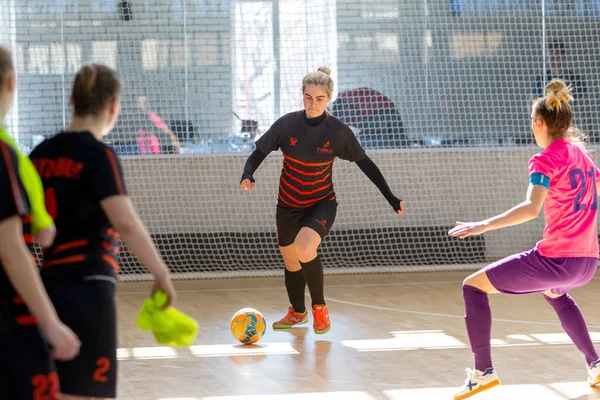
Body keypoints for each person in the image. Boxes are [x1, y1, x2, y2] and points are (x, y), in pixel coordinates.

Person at [30, 64, 177, 400]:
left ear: (72, 100)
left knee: (62, 387)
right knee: (91, 392)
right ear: (114, 105)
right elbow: (125, 222)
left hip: (48, 285)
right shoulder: (100, 155)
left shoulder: (38, 155)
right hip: (91, 287)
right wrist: (160, 272)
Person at [449, 79, 600, 399]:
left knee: (472, 286)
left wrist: (482, 225)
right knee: (556, 296)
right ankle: (596, 364)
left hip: (557, 259)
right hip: (588, 261)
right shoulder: (583, 157)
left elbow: (532, 208)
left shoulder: (545, 159)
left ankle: (483, 372)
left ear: (539, 123)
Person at [240, 67, 404, 335]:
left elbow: (366, 164)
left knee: (306, 249)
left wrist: (391, 197)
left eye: (318, 98)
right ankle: (298, 312)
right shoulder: (287, 124)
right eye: (307, 97)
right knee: (291, 262)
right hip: (288, 205)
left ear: (328, 98)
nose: (312, 103)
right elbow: (259, 151)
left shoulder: (337, 132)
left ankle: (319, 309)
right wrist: (248, 174)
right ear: (302, 96)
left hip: (321, 203)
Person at [0, 46, 80, 399]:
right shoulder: (4, 153)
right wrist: (50, 323)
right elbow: (9, 248)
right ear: (11, 83)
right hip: (9, 316)